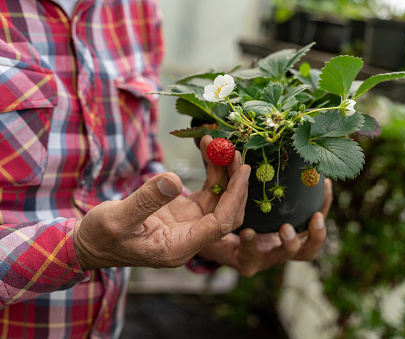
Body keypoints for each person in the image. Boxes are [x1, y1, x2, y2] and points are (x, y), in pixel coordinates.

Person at [0, 1, 333, 338]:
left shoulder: (136, 9)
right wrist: (78, 248)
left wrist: (205, 238)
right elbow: (90, 241)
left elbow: (134, 169)